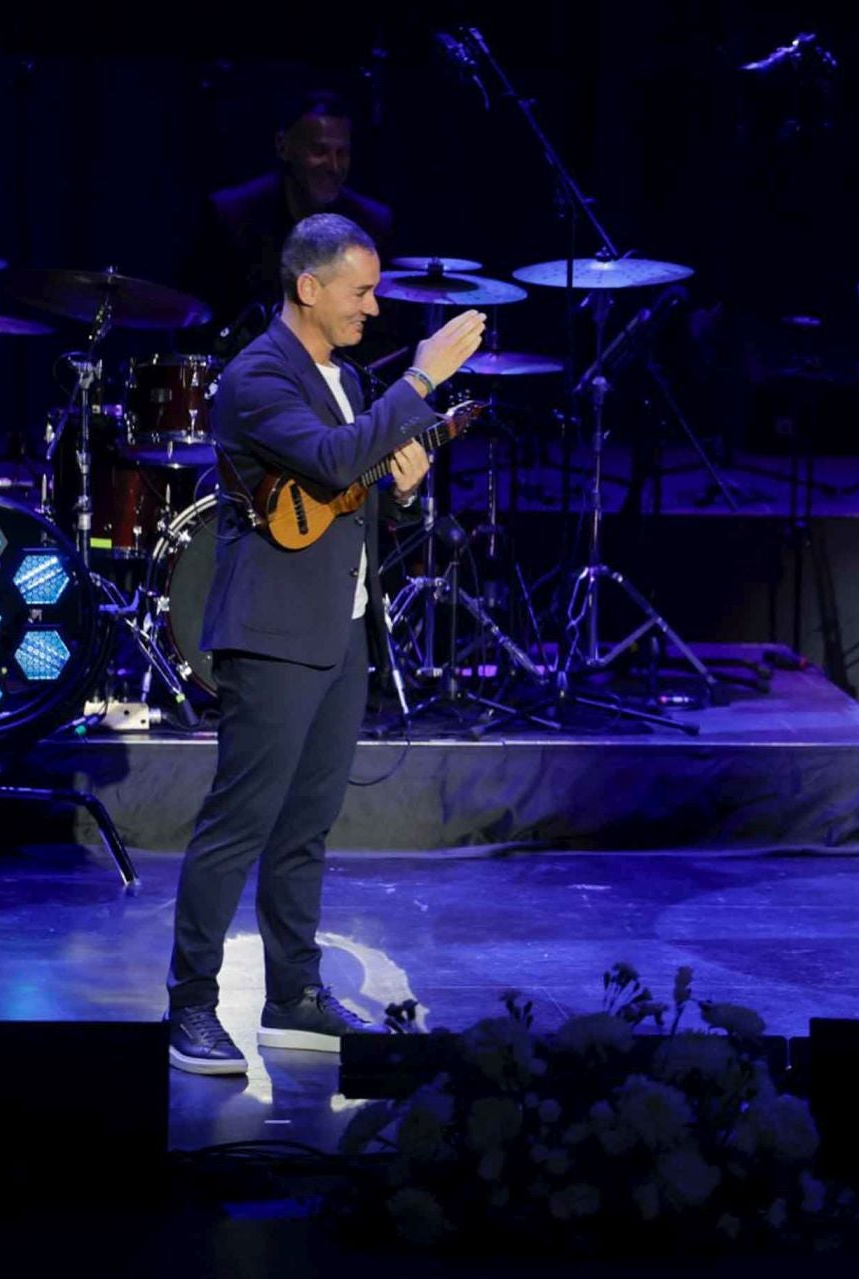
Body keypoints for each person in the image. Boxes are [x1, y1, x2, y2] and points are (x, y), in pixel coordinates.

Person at [165, 213, 485, 1075]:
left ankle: (292, 996)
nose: (373, 308)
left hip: (343, 628)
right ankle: (189, 1005)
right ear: (309, 287)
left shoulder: (346, 377)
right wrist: (423, 375)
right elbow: (334, 458)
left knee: (306, 825)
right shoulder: (256, 376)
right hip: (273, 633)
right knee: (239, 823)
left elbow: (349, 493)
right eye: (361, 291)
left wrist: (405, 492)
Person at [189, 90, 396, 351]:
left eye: (342, 153)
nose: (333, 166)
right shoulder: (232, 217)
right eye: (319, 151)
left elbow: (381, 333)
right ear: (283, 146)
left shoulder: (372, 223)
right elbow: (202, 321)